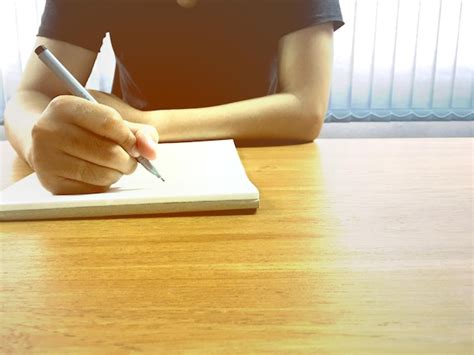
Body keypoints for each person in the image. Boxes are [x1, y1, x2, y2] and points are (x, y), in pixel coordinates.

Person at [4, 0, 344, 195]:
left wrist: (150, 122)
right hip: (130, 171)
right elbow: (31, 96)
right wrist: (40, 148)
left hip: (262, 173)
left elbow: (306, 109)